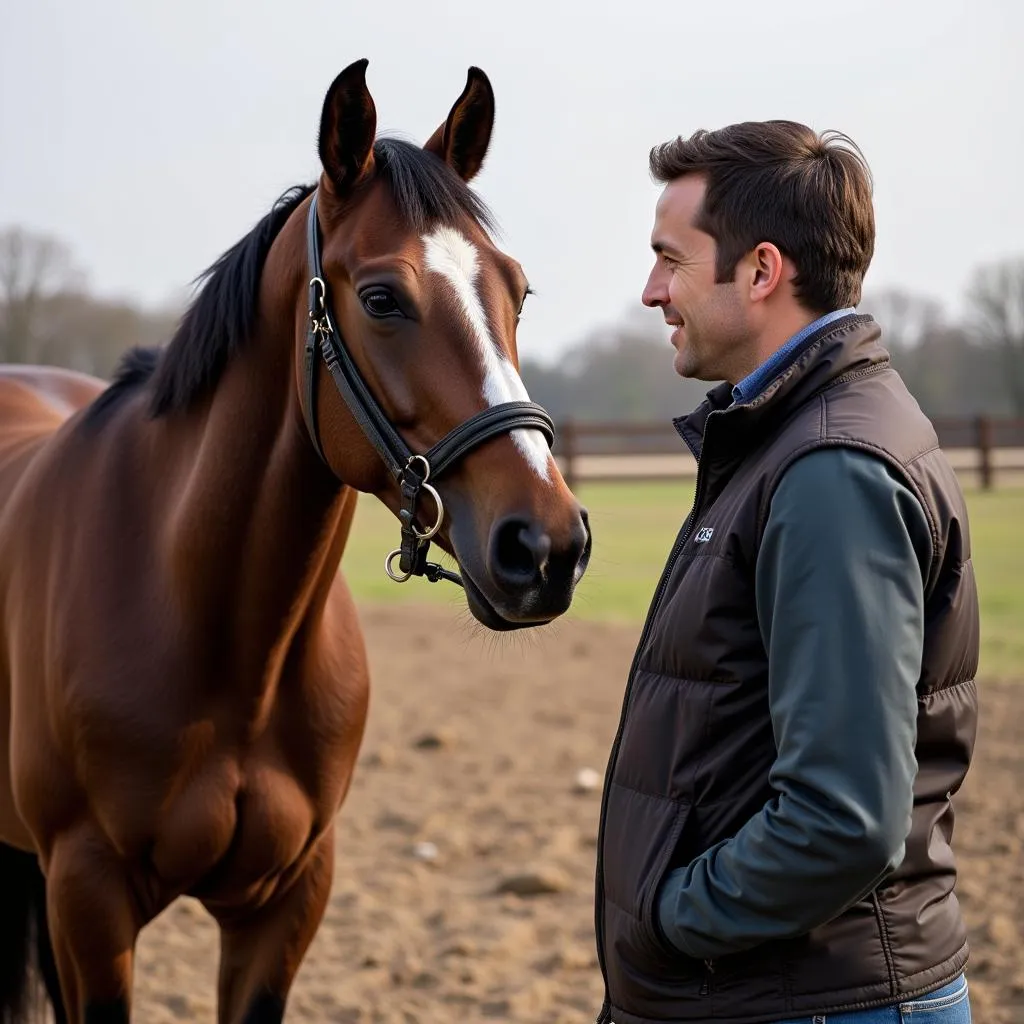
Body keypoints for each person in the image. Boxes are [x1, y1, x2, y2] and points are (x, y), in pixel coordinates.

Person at [592, 121, 979, 1024]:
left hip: (810, 1001)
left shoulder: (830, 470)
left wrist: (668, 918)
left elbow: (844, 819)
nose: (652, 292)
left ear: (762, 271)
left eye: (670, 260)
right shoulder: (787, 443)